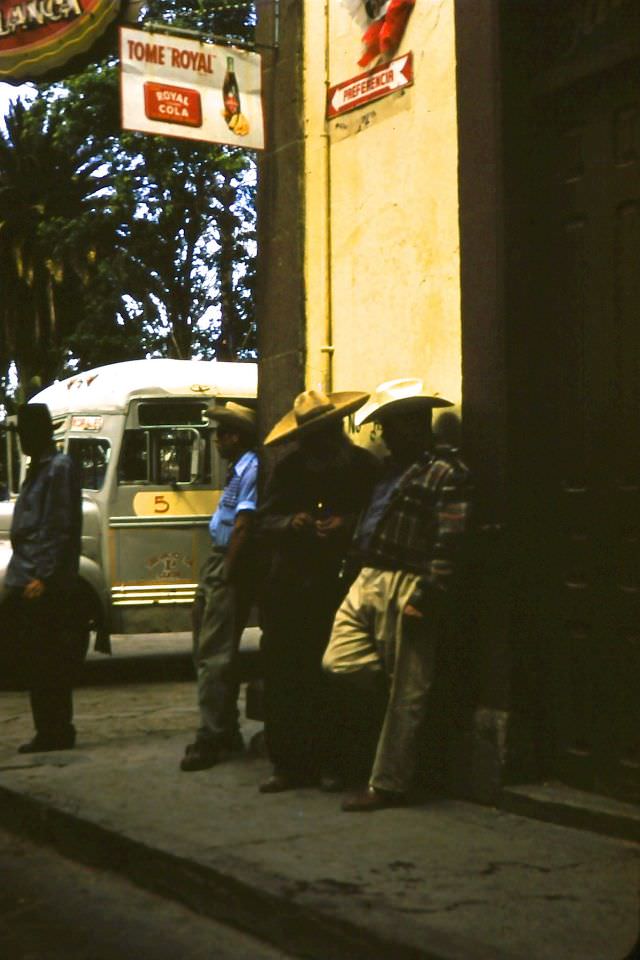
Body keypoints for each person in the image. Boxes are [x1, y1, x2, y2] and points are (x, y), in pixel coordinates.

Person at [322, 378, 471, 811]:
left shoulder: (447, 471)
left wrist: (429, 594)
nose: (383, 434)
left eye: (390, 425)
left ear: (414, 425)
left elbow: (452, 539)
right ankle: (391, 744)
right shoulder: (389, 469)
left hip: (409, 580)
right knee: (339, 662)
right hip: (369, 575)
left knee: (408, 690)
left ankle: (388, 784)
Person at [257, 388, 378, 793]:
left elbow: (376, 517)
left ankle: (336, 763)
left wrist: (347, 524)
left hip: (340, 589)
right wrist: (290, 522)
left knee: (335, 681)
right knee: (286, 678)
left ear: (338, 430)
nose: (318, 445)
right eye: (311, 438)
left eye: (325, 435)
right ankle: (288, 765)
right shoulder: (289, 469)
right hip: (290, 588)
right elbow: (264, 520)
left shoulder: (363, 467)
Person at [180, 402, 259, 772]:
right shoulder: (236, 470)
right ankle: (224, 727)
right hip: (218, 560)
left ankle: (213, 733)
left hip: (228, 561)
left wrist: (228, 570)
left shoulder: (251, 469)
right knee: (205, 647)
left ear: (234, 436)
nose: (215, 441)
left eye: (220, 434)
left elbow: (244, 523)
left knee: (215, 654)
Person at [1, 403, 82, 753]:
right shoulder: (38, 469)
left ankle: (56, 730)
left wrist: (44, 576)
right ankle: (47, 729)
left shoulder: (58, 469)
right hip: (26, 573)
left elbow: (58, 527)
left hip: (42, 581)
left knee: (49, 661)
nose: (21, 440)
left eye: (25, 433)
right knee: (34, 661)